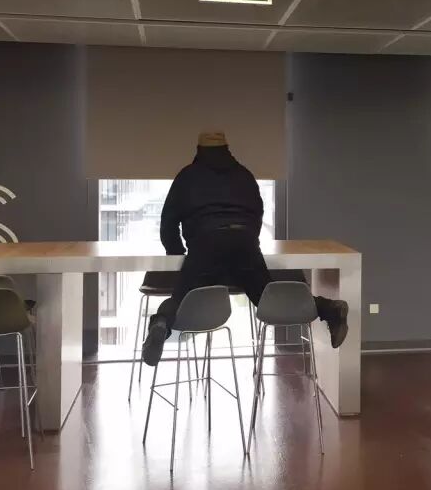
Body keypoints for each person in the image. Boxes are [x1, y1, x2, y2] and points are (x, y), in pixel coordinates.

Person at [142, 131, 349, 366]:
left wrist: (177, 255)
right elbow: (257, 213)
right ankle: (328, 308)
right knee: (266, 296)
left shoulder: (187, 176)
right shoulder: (244, 175)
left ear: (199, 150)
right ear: (227, 149)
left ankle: (160, 324)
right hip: (244, 243)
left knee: (181, 299)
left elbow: (168, 222)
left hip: (206, 244)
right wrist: (247, 240)